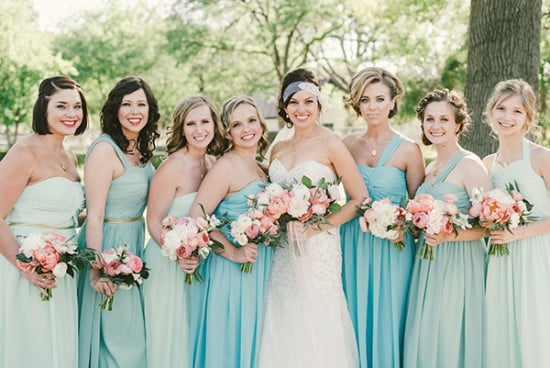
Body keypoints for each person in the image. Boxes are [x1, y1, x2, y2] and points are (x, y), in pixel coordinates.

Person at [257, 68, 368, 368]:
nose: (301, 109)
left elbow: (358, 199)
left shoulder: (332, 143)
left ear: (319, 104)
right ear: (284, 106)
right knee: (281, 311)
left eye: (309, 101)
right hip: (281, 249)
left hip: (318, 247)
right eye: (294, 102)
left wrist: (314, 228)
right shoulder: (276, 147)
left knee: (317, 314)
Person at [340, 67, 425, 368]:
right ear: (357, 105)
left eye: (379, 99)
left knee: (392, 314)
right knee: (352, 311)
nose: (372, 107)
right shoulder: (347, 146)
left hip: (394, 248)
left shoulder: (409, 149)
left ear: (392, 101)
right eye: (365, 100)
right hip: (352, 243)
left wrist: (402, 224)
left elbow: (419, 210)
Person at [0, 76, 88, 367]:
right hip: (24, 267)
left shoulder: (69, 156)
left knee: (56, 348)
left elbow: (63, 211)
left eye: (77, 106)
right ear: (44, 109)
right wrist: (25, 268)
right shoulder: (24, 152)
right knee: (31, 346)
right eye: (61, 106)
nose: (71, 113)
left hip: (62, 269)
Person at [402, 89, 492, 368]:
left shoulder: (469, 164)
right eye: (430, 119)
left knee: (450, 332)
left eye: (444, 119)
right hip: (427, 261)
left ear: (457, 124)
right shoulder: (430, 167)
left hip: (460, 262)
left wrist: (448, 234)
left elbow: (489, 225)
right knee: (428, 330)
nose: (436, 126)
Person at [78, 76, 160, 368]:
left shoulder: (140, 150)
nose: (134, 110)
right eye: (127, 104)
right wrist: (95, 271)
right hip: (107, 245)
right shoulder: (105, 150)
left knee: (129, 334)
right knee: (119, 337)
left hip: (134, 242)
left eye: (141, 103)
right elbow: (95, 215)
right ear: (115, 109)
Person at [189, 95, 272, 368]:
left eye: (250, 120)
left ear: (260, 123)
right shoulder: (226, 165)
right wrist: (234, 252)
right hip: (232, 270)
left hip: (260, 268)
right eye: (237, 125)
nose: (246, 129)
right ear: (227, 131)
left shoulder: (261, 167)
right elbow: (197, 216)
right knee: (230, 343)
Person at [142, 95, 226, 367]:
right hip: (168, 263)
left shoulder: (214, 163)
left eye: (205, 121)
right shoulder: (172, 167)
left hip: (201, 264)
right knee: (171, 335)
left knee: (193, 336)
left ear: (215, 124)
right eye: (191, 123)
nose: (199, 129)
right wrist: (179, 252)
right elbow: (153, 221)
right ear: (181, 128)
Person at [482, 79, 550, 367]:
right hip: (500, 257)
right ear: (490, 113)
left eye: (517, 111)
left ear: (528, 119)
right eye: (501, 109)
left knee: (535, 324)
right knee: (500, 325)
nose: (507, 117)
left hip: (536, 253)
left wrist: (519, 232)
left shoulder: (541, 157)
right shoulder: (486, 163)